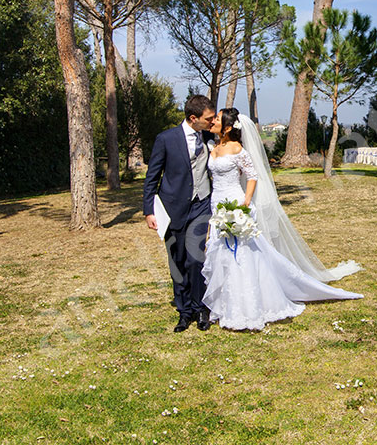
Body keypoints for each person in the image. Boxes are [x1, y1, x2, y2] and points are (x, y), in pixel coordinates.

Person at [202, 108, 362, 331]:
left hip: (235, 204)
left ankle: (248, 307)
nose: (213, 121)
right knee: (222, 253)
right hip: (216, 203)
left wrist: (245, 203)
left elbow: (253, 175)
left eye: (217, 119)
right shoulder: (214, 147)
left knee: (242, 256)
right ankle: (224, 303)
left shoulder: (237, 148)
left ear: (228, 127)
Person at [143, 95, 217, 332]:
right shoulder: (166, 139)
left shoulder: (208, 135)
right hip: (172, 208)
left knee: (196, 259)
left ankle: (200, 308)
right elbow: (152, 177)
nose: (211, 121)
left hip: (200, 204)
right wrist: (148, 211)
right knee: (178, 262)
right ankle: (184, 312)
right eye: (208, 118)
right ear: (193, 118)